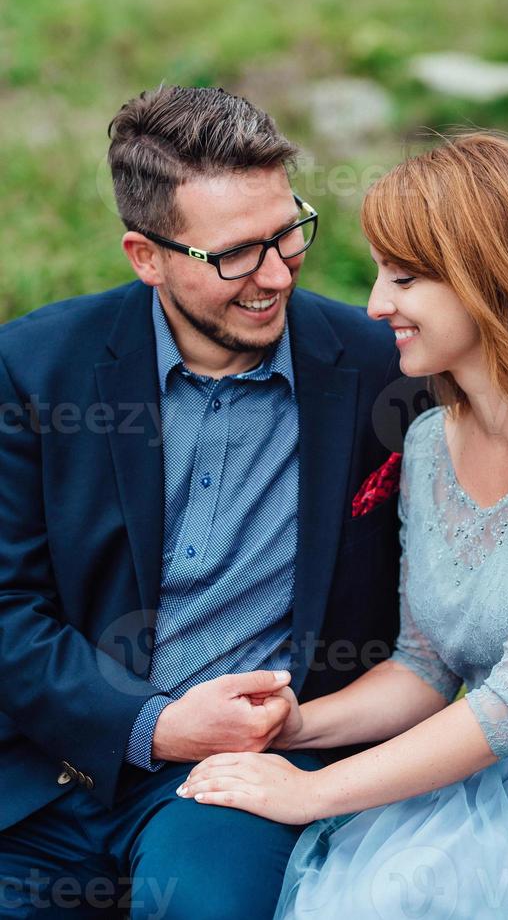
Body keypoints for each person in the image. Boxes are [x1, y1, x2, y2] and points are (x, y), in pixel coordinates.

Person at [178, 133, 508, 919]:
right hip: (492, 769)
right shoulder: (432, 438)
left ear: (494, 281)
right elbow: (425, 667)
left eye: (404, 278)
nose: (374, 304)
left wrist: (311, 793)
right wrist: (294, 724)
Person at [0, 85, 408, 919]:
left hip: (239, 781)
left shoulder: (381, 367)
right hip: (42, 772)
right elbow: (6, 607)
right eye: (234, 255)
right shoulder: (34, 368)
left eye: (287, 233)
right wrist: (150, 723)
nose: (274, 274)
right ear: (146, 257)